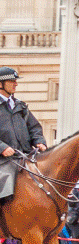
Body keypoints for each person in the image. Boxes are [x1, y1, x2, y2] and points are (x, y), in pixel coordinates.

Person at [0, 65, 48, 205]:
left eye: (16, 80)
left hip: (25, 155)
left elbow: (34, 127)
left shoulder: (20, 106)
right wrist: (2, 147)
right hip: (3, 159)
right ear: (1, 84)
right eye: (11, 81)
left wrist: (39, 141)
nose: (16, 84)